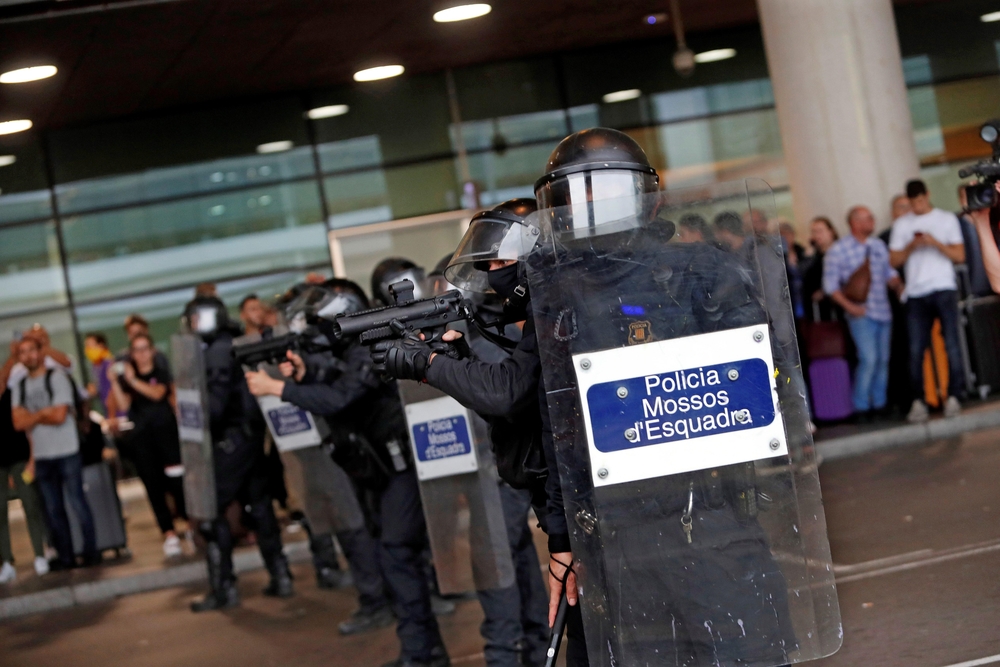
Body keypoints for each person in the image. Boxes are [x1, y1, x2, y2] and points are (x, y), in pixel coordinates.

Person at [247, 279, 449, 667]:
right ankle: (423, 653)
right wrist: (304, 376)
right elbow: (338, 387)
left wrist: (279, 388)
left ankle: (422, 655)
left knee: (396, 555)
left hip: (399, 466)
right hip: (378, 468)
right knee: (393, 557)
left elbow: (343, 396)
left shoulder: (372, 345)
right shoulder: (353, 347)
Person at [375, 250, 551, 667]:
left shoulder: (486, 330)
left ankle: (506, 650)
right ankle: (533, 638)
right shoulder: (473, 332)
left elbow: (501, 396)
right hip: (488, 467)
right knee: (513, 553)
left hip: (499, 469)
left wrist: (437, 362)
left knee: (494, 559)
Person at [186, 296, 293, 612]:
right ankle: (280, 575)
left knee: (211, 512)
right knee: (259, 507)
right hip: (248, 440)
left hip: (229, 443)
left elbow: (216, 406)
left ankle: (224, 589)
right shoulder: (227, 344)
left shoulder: (216, 352)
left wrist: (193, 415)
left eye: (196, 318)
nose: (192, 325)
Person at [11, 336, 100, 570]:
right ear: (18, 357)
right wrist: (44, 413)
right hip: (41, 455)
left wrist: (33, 416)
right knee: (53, 510)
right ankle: (66, 556)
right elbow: (18, 423)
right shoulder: (19, 385)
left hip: (67, 450)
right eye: (23, 352)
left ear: (41, 352)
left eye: (32, 350)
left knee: (77, 503)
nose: (29, 355)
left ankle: (91, 553)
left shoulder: (57, 377)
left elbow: (60, 416)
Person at [889, 179, 966, 422]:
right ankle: (918, 400)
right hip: (916, 292)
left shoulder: (945, 219)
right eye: (913, 203)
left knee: (951, 344)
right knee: (915, 349)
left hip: (943, 287)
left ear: (928, 195)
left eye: (920, 201)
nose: (918, 206)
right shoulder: (902, 225)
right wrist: (912, 245)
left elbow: (960, 255)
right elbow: (893, 261)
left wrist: (935, 243)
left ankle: (954, 395)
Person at [108, 333, 187, 557]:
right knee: (153, 486)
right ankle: (168, 531)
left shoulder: (161, 372)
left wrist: (133, 380)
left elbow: (157, 394)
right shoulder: (128, 380)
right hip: (142, 439)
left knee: (177, 483)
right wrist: (115, 381)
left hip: (167, 436)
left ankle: (189, 522)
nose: (141, 355)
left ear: (152, 351)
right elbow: (123, 404)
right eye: (137, 350)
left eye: (145, 349)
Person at [823, 206, 901, 418]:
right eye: (867, 218)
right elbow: (830, 286)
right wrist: (852, 308)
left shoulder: (878, 245)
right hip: (861, 315)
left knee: (883, 359)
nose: (872, 221)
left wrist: (896, 283)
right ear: (855, 223)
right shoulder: (838, 250)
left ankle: (879, 404)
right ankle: (861, 406)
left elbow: (888, 272)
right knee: (868, 359)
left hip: (883, 310)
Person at [0, 340, 51, 582]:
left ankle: (40, 553)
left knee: (30, 504)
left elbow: (28, 427)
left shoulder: (14, 393)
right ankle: (6, 561)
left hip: (20, 458)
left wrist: (32, 459)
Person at [802, 216, 839, 322]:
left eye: (820, 231)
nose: (817, 236)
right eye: (814, 232)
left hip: (838, 307)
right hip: (820, 312)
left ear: (831, 232)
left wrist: (825, 291)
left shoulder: (840, 253)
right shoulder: (812, 257)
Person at [83, 332, 115, 413]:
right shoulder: (95, 366)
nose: (87, 349)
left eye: (90, 346)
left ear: (101, 346)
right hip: (106, 409)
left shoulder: (109, 364)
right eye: (86, 346)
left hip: (117, 411)